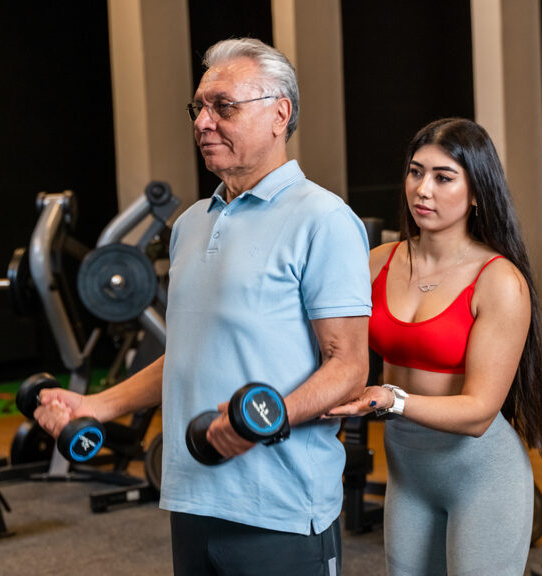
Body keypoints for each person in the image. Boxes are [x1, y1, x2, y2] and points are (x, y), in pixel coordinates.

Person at [35, 37, 371, 576]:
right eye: (199, 107)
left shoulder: (323, 220)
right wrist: (100, 405)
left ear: (279, 113)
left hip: (279, 509)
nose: (203, 122)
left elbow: (350, 368)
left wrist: (265, 420)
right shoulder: (191, 223)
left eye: (224, 106)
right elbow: (190, 354)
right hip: (191, 497)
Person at [327, 117, 542, 575]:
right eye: (415, 172)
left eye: (443, 177)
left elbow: (477, 414)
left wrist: (389, 399)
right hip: (408, 472)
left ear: (476, 192)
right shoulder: (375, 263)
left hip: (481, 475)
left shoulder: (498, 281)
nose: (422, 189)